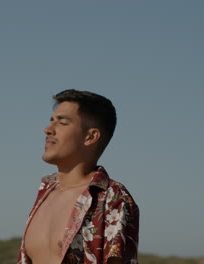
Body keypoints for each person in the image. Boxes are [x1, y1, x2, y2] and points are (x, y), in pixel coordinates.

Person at [18, 90, 139, 264]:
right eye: (51, 121)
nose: (48, 130)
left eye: (62, 122)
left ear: (90, 137)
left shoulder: (113, 198)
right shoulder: (45, 193)